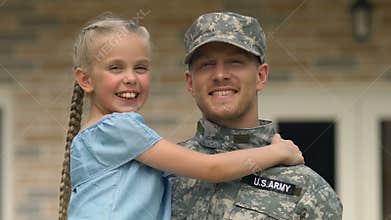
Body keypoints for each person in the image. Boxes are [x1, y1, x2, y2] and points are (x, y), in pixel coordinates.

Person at [57, 15, 304, 220]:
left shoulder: (97, 135)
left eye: (140, 68)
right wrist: (279, 152)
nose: (131, 78)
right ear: (85, 79)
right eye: (115, 67)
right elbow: (212, 168)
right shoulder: (118, 127)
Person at [172, 12, 343, 219]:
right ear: (190, 82)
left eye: (235, 62)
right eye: (207, 65)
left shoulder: (306, 190)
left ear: (261, 76)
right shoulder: (165, 172)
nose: (220, 75)